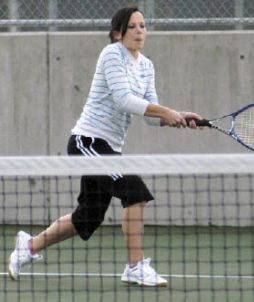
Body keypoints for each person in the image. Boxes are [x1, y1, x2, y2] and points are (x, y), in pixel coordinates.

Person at [8, 6, 202, 287]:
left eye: (143, 26)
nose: (139, 31)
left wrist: (178, 116)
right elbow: (124, 99)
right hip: (87, 142)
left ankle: (28, 247)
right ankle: (135, 267)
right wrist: (167, 111)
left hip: (109, 147)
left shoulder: (146, 66)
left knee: (87, 217)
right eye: (133, 26)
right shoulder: (112, 55)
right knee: (135, 192)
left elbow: (148, 119)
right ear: (117, 33)